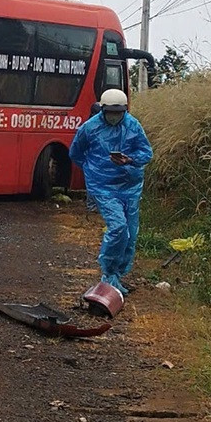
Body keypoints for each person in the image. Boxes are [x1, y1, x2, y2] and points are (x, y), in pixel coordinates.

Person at [69, 88, 153, 295]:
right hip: (103, 186)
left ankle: (118, 274)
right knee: (118, 227)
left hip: (129, 186)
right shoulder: (90, 128)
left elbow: (146, 152)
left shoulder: (133, 126)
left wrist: (129, 159)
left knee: (130, 234)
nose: (115, 117)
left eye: (119, 112)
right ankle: (107, 274)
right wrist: (94, 170)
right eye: (111, 112)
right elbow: (75, 153)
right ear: (103, 110)